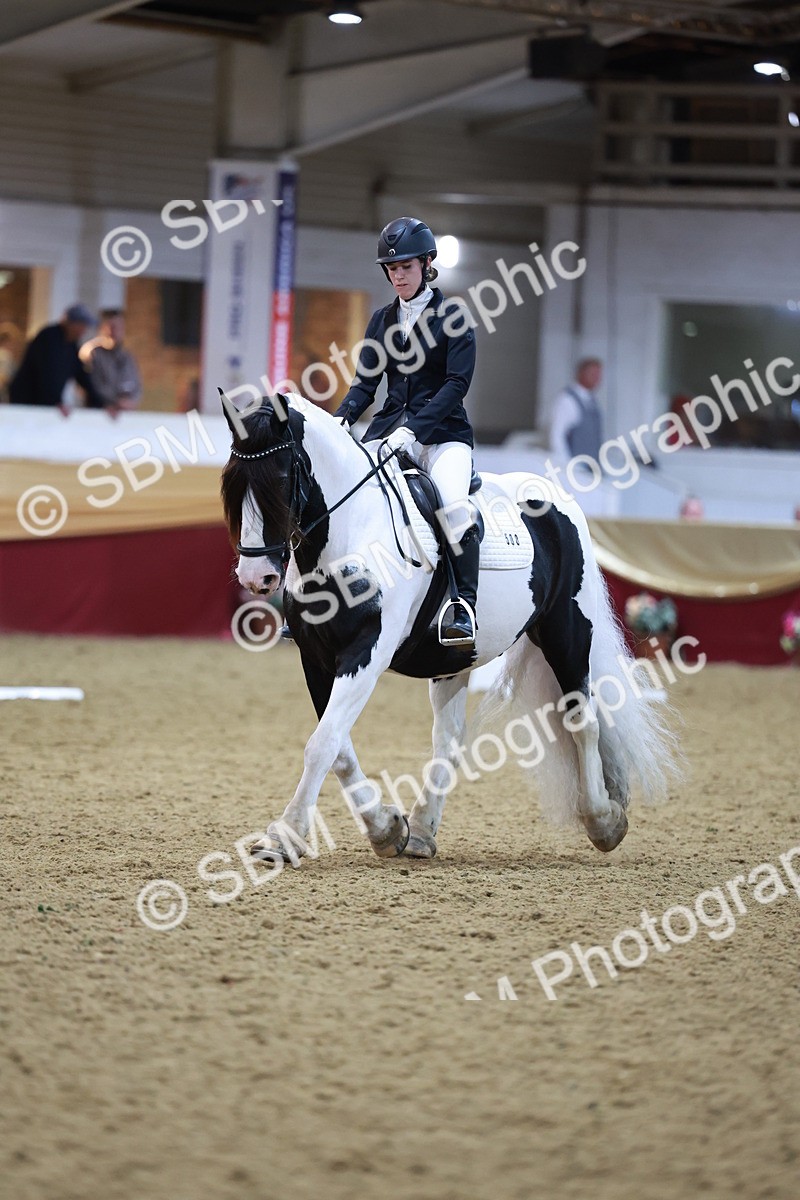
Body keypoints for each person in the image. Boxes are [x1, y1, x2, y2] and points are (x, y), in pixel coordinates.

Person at [335, 216, 479, 646]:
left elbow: (457, 385)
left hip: (443, 437)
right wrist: (342, 418)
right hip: (387, 430)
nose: (398, 275)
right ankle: (321, 599)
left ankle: (462, 606)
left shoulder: (453, 316)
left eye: (407, 267)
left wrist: (414, 430)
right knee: (343, 498)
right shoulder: (381, 320)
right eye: (393, 269)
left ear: (427, 264)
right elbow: (366, 383)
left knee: (453, 509)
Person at [9, 304, 107, 412]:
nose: (84, 330)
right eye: (81, 325)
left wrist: (101, 403)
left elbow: (81, 375)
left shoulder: (71, 346)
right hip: (28, 401)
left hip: (45, 404)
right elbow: (47, 374)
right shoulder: (49, 338)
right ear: (71, 323)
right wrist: (55, 402)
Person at [80, 309, 142, 413]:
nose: (116, 331)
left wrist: (130, 402)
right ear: (102, 328)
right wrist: (115, 402)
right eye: (112, 327)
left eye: (120, 327)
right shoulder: (92, 354)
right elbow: (93, 385)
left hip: (125, 415)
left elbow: (135, 385)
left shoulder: (127, 357)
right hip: (99, 413)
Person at [550, 357, 604, 462]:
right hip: (576, 469)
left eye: (598, 375)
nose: (596, 379)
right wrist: (565, 464)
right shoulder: (568, 400)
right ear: (580, 374)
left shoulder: (592, 401)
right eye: (592, 374)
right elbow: (557, 435)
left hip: (590, 467)